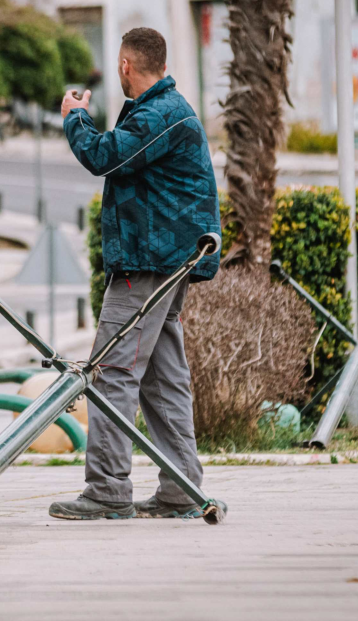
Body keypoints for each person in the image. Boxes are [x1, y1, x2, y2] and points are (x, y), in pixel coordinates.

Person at [49, 27, 222, 520]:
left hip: (149, 266)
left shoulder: (163, 114)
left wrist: (76, 118)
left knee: (111, 372)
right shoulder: (161, 112)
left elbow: (105, 156)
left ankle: (106, 490)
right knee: (163, 382)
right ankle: (181, 490)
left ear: (126, 65)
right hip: (162, 265)